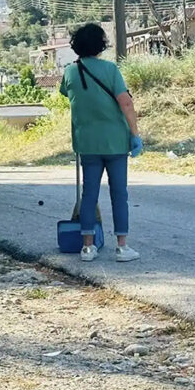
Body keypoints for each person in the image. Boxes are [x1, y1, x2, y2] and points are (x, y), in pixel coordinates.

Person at [59, 23, 143, 263]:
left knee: (89, 194)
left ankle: (87, 247)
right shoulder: (110, 69)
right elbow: (125, 103)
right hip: (115, 141)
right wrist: (135, 134)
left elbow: (65, 92)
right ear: (101, 45)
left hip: (86, 142)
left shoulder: (70, 71)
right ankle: (122, 246)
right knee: (119, 194)